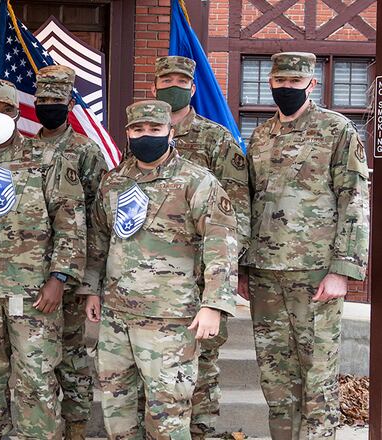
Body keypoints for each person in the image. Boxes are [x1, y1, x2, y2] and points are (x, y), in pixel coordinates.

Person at [83, 100, 237, 439]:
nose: (146, 135)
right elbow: (98, 239)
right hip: (117, 317)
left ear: (170, 132)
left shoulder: (196, 181)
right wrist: (91, 289)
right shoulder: (114, 181)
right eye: (138, 129)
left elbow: (221, 242)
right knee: (117, 412)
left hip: (169, 318)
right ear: (128, 133)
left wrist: (214, 304)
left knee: (167, 416)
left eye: (155, 129)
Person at [241, 52, 369, 440]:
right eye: (280, 81)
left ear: (311, 84)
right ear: (270, 83)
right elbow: (249, 200)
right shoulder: (261, 136)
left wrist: (342, 270)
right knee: (275, 379)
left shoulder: (336, 129)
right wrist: (243, 266)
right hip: (265, 273)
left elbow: (354, 198)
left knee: (317, 379)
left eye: (295, 82)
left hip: (314, 273)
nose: (287, 88)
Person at [0, 79, 87, 440]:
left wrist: (59, 277)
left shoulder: (47, 159)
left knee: (36, 381)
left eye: (6, 109)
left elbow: (70, 222)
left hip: (34, 295)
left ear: (17, 113)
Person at [150, 55, 250, 438]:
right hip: (152, 282)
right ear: (154, 88)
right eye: (166, 81)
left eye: (180, 82)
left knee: (201, 373)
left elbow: (237, 212)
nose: (172, 87)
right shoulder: (144, 137)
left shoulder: (217, 139)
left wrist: (220, 280)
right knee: (156, 373)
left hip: (199, 282)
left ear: (192, 88)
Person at [32, 64, 108, 440]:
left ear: (70, 104)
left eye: (56, 100)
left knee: (73, 354)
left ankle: (76, 426)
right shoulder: (26, 148)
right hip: (32, 272)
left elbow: (98, 217)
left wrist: (89, 278)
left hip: (73, 273)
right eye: (43, 99)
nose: (49, 105)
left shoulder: (85, 151)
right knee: (39, 355)